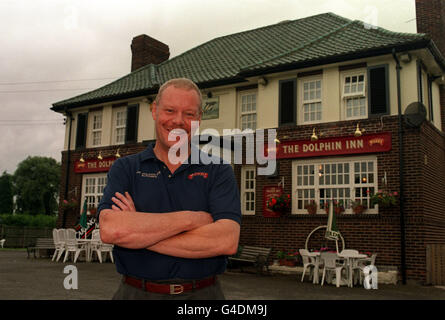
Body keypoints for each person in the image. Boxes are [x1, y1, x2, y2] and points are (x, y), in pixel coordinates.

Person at [98, 78, 241, 300]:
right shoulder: (125, 168)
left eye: (189, 114)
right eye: (170, 110)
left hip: (203, 295)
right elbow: (112, 230)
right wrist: (192, 220)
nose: (178, 121)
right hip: (135, 293)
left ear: (199, 119)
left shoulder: (218, 170)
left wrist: (137, 232)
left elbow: (226, 241)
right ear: (154, 110)